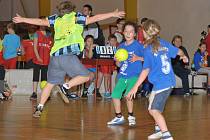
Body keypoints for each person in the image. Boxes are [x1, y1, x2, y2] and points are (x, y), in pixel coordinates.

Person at [13, 0, 125, 117]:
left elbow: (40, 21)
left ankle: (39, 108)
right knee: (87, 76)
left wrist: (23, 19)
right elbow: (95, 18)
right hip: (68, 55)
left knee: (50, 84)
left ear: (60, 10)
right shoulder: (76, 17)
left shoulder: (56, 18)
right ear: (72, 9)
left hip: (55, 58)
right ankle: (65, 86)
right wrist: (112, 14)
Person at [126, 19, 188, 140]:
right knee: (151, 101)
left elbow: (145, 70)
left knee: (154, 110)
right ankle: (158, 130)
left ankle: (166, 135)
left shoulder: (148, 48)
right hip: (167, 81)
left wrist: (134, 87)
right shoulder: (163, 43)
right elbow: (178, 51)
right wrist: (183, 56)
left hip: (162, 83)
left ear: (144, 32)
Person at [107, 22, 144, 126]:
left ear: (135, 34)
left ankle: (131, 116)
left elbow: (147, 58)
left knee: (128, 95)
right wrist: (117, 61)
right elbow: (119, 65)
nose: (128, 33)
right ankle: (119, 117)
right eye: (126, 31)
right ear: (123, 33)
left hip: (135, 75)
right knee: (115, 95)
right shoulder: (121, 46)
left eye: (131, 32)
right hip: (122, 75)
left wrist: (138, 58)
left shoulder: (138, 46)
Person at [30, 17, 53, 100]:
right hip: (37, 59)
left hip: (46, 60)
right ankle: (34, 93)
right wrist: (38, 57)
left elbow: (51, 47)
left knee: (45, 78)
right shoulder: (37, 33)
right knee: (36, 76)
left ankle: (45, 93)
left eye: (45, 22)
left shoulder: (49, 34)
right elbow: (35, 48)